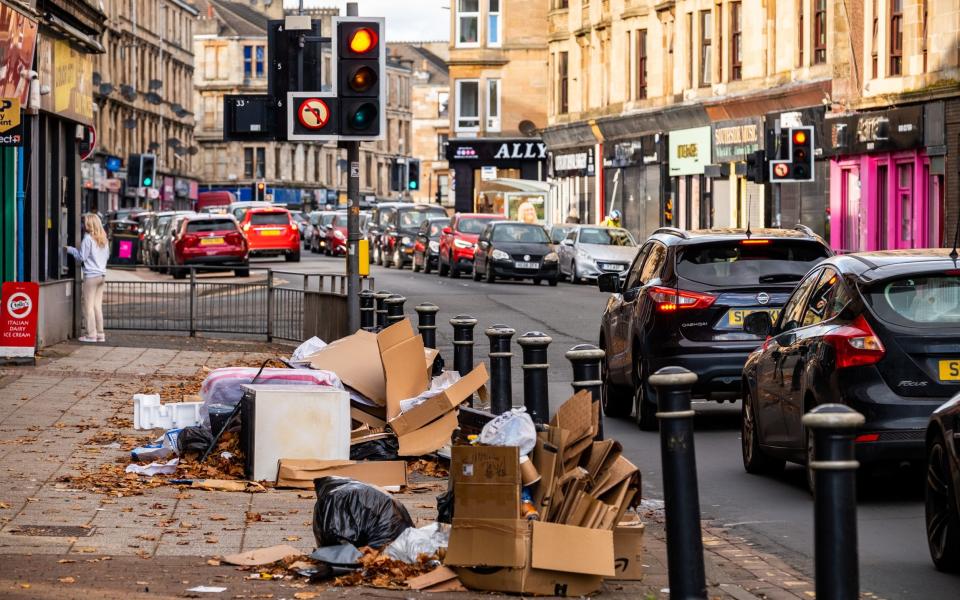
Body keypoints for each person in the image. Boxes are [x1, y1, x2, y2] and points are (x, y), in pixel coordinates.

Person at [66, 213, 110, 343]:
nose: (83, 224)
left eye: (85, 222)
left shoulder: (88, 239)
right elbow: (106, 257)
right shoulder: (104, 239)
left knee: (88, 306)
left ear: (89, 224)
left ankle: (91, 335)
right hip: (102, 275)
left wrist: (70, 250)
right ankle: (100, 334)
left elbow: (82, 257)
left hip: (91, 276)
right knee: (97, 306)